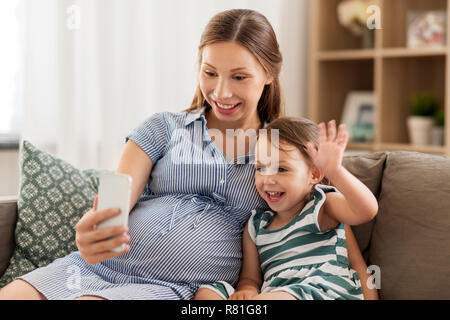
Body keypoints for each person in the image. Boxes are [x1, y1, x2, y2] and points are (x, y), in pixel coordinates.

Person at [0, 9, 377, 300]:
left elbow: (329, 223)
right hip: (93, 267)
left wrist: (366, 286)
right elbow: (118, 198)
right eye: (210, 72)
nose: (221, 92)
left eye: (239, 77)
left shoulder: (283, 152)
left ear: (269, 74)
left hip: (175, 287)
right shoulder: (163, 127)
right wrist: (94, 228)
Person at [195, 117, 378, 300]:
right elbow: (250, 278)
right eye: (260, 168)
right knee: (208, 293)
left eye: (281, 169)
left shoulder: (323, 205)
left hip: (320, 291)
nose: (268, 179)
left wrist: (335, 171)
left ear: (314, 174)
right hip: (272, 293)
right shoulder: (256, 226)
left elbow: (366, 211)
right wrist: (248, 290)